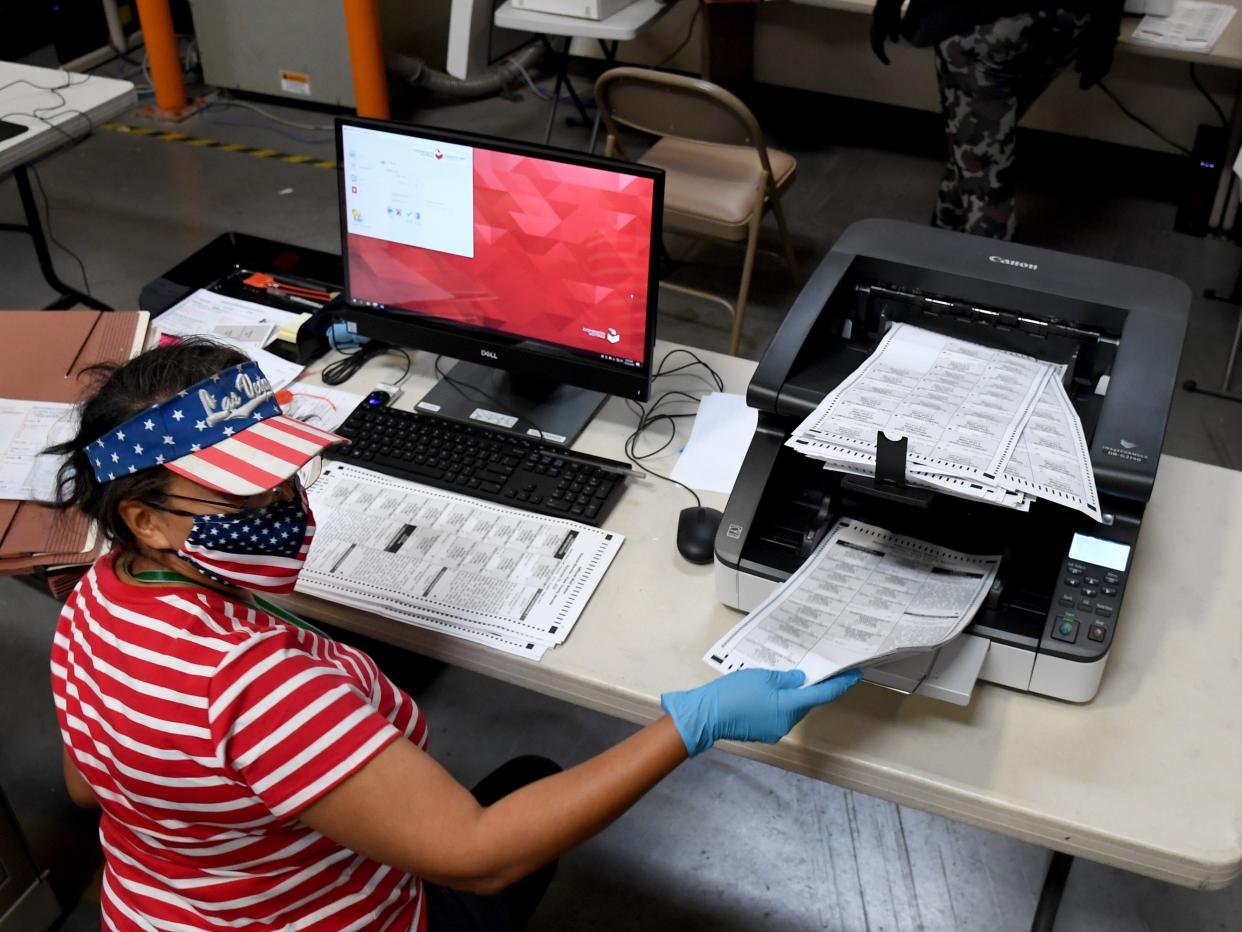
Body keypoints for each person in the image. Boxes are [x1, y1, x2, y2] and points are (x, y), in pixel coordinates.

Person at [47, 338, 861, 931]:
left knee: (526, 775)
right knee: (520, 803)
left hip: (166, 913)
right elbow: (478, 853)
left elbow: (90, 788)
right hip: (330, 919)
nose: (285, 509)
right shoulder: (254, 687)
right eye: (244, 500)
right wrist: (691, 725)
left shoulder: (98, 598)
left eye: (285, 477)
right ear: (146, 518)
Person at [871, 0, 1125, 239]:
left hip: (985, 25)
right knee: (977, 144)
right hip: (1066, 22)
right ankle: (940, 247)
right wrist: (1105, 33)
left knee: (983, 168)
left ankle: (984, 278)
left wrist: (887, 7)